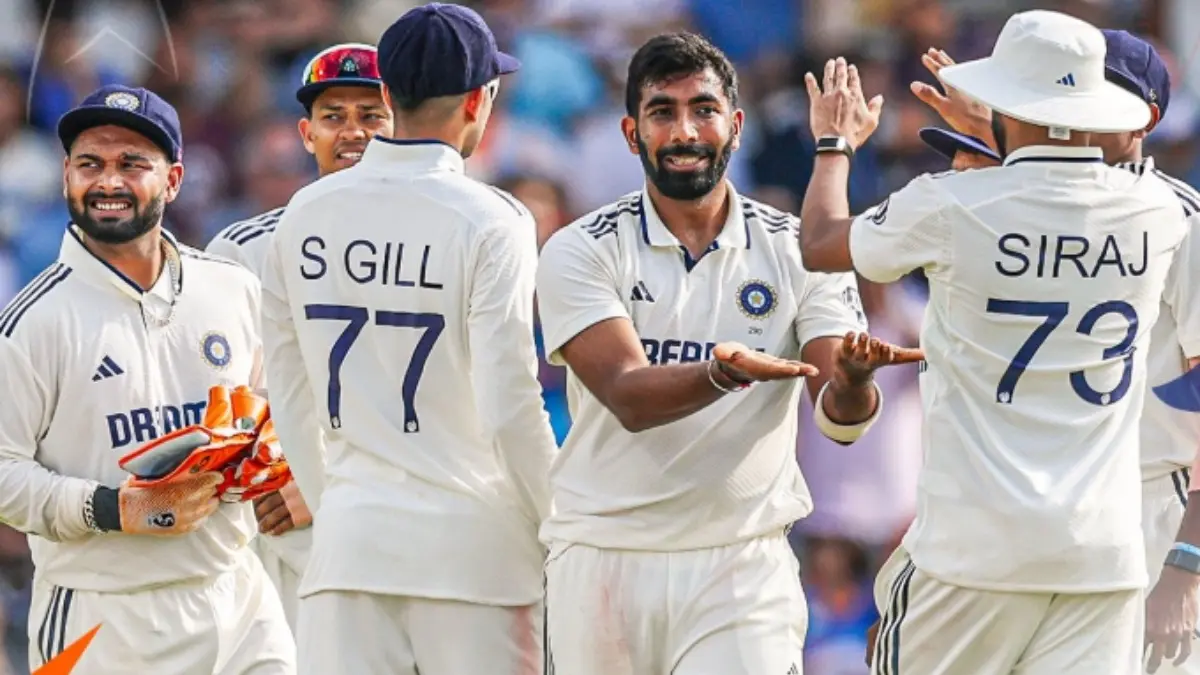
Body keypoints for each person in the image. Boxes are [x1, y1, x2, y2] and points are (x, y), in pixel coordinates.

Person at [798, 11, 1190, 674]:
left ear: (1007, 104)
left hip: (971, 550)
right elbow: (1073, 179)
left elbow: (820, 244)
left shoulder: (952, 203)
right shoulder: (1155, 212)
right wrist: (1014, 121)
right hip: (1102, 553)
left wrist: (834, 144)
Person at [534, 32, 921, 675]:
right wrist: (722, 372)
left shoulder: (798, 249)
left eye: (703, 110)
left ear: (735, 127)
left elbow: (841, 417)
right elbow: (629, 395)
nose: (685, 130)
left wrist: (854, 380)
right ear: (632, 134)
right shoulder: (582, 249)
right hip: (604, 557)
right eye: (663, 112)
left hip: (741, 564)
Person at [258, 4, 555, 674]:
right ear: (481, 100)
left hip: (350, 552)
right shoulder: (493, 218)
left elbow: (293, 394)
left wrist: (338, 514)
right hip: (475, 554)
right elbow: (510, 403)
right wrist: (559, 524)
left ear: (387, 95)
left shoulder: (304, 213)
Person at [912, 29, 1200, 675]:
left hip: (1151, 509)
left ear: (1143, 118)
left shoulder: (1183, 218)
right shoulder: (1011, 202)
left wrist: (1187, 563)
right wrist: (997, 132)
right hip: (1026, 514)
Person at [0, 85, 294, 673]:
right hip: (102, 620)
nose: (109, 182)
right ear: (66, 177)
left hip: (239, 600)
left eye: (133, 164)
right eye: (91, 164)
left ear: (175, 179)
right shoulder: (32, 322)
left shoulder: (231, 288)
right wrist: (114, 508)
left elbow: (273, 409)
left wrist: (269, 456)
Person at [205, 42, 393, 632]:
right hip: (276, 529)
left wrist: (328, 489)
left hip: (397, 521)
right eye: (334, 116)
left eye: (372, 114)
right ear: (306, 133)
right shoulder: (239, 251)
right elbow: (225, 402)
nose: (353, 132)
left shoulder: (442, 238)